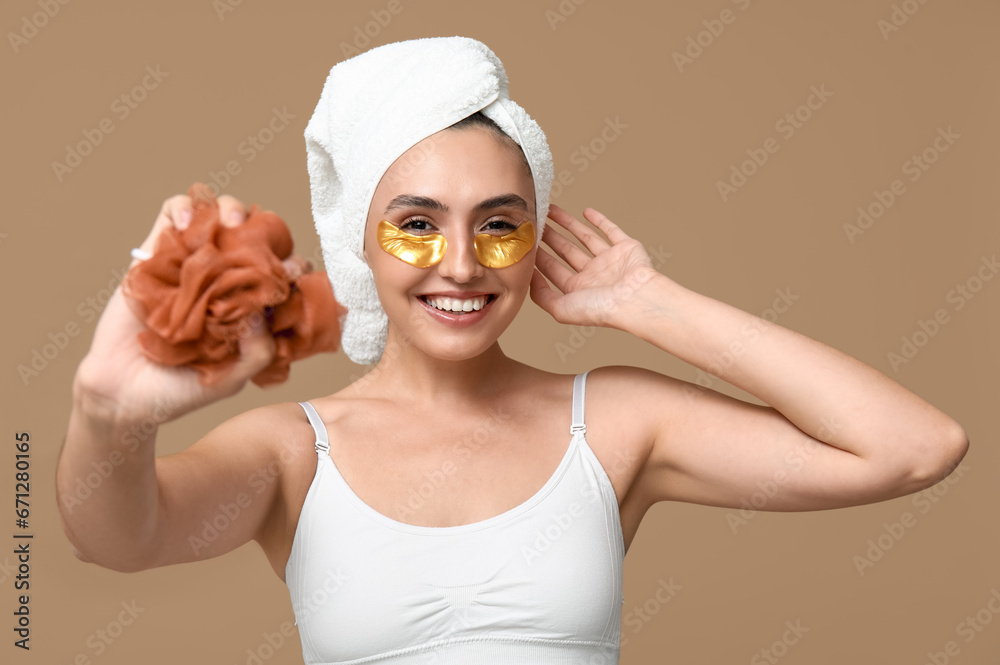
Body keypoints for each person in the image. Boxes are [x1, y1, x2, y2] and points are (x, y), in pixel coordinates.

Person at [56, 37, 969, 664]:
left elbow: (911, 447)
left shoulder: (611, 421)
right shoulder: (294, 448)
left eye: (499, 225)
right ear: (359, 245)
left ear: (534, 239)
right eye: (415, 224)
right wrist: (108, 416)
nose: (461, 263)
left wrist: (649, 302)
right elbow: (115, 538)